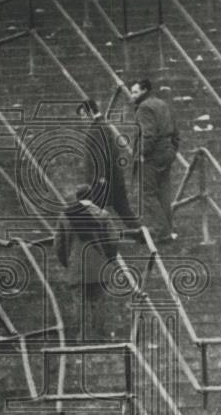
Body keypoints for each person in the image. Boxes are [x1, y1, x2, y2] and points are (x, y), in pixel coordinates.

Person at [54, 183, 120, 340]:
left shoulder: (65, 216)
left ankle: (82, 335)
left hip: (76, 266)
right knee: (99, 301)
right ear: (91, 197)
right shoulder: (103, 215)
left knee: (79, 302)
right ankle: (99, 334)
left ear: (77, 198)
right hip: (99, 266)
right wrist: (110, 258)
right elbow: (113, 240)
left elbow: (59, 245)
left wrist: (68, 262)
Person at [129, 79, 179, 244]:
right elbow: (175, 128)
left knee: (148, 193)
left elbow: (148, 134)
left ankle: (161, 230)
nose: (132, 95)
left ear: (144, 91)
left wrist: (142, 154)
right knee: (163, 192)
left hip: (152, 155)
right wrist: (173, 149)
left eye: (135, 92)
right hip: (167, 151)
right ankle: (168, 230)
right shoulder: (162, 104)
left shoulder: (144, 107)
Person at [77, 98, 138, 227]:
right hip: (113, 178)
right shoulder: (103, 126)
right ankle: (141, 234)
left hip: (103, 180)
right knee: (123, 209)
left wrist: (100, 177)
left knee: (96, 210)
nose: (82, 119)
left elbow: (101, 155)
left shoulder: (97, 129)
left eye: (83, 115)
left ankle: (101, 241)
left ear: (91, 112)